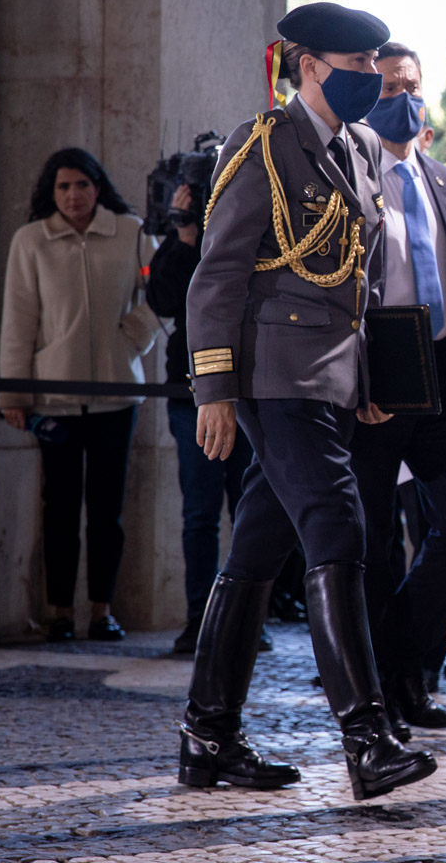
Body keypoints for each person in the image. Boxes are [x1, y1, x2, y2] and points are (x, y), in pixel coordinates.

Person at [180, 3, 435, 801]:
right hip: (270, 374)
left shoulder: (358, 149)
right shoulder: (260, 144)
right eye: (357, 66)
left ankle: (207, 736)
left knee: (258, 548)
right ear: (311, 67)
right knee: (336, 523)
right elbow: (216, 275)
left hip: (328, 379)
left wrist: (362, 382)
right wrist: (214, 387)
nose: (371, 77)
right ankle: (366, 736)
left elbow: (354, 282)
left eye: (374, 64)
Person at [349, 42, 446, 734]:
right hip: (376, 378)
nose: (400, 96)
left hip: (445, 373)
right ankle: (398, 690)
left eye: (410, 84)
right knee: (375, 541)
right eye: (386, 85)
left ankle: (399, 657)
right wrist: (352, 379)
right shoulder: (346, 178)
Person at [0, 148, 161, 644]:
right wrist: (14, 391)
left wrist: (131, 337)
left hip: (117, 393)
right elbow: (18, 319)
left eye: (82, 185)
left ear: (98, 187)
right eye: (63, 187)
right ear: (52, 192)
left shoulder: (132, 233)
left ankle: (102, 609)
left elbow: (163, 293)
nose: (73, 196)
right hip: (55, 397)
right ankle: (61, 611)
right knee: (60, 507)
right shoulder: (31, 240)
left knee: (107, 509)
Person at [146, 182, 270, 656]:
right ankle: (200, 616)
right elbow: (164, 300)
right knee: (199, 513)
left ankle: (248, 618)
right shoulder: (181, 241)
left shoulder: (256, 228)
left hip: (253, 391)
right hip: (192, 394)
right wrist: (183, 239)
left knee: (252, 510)